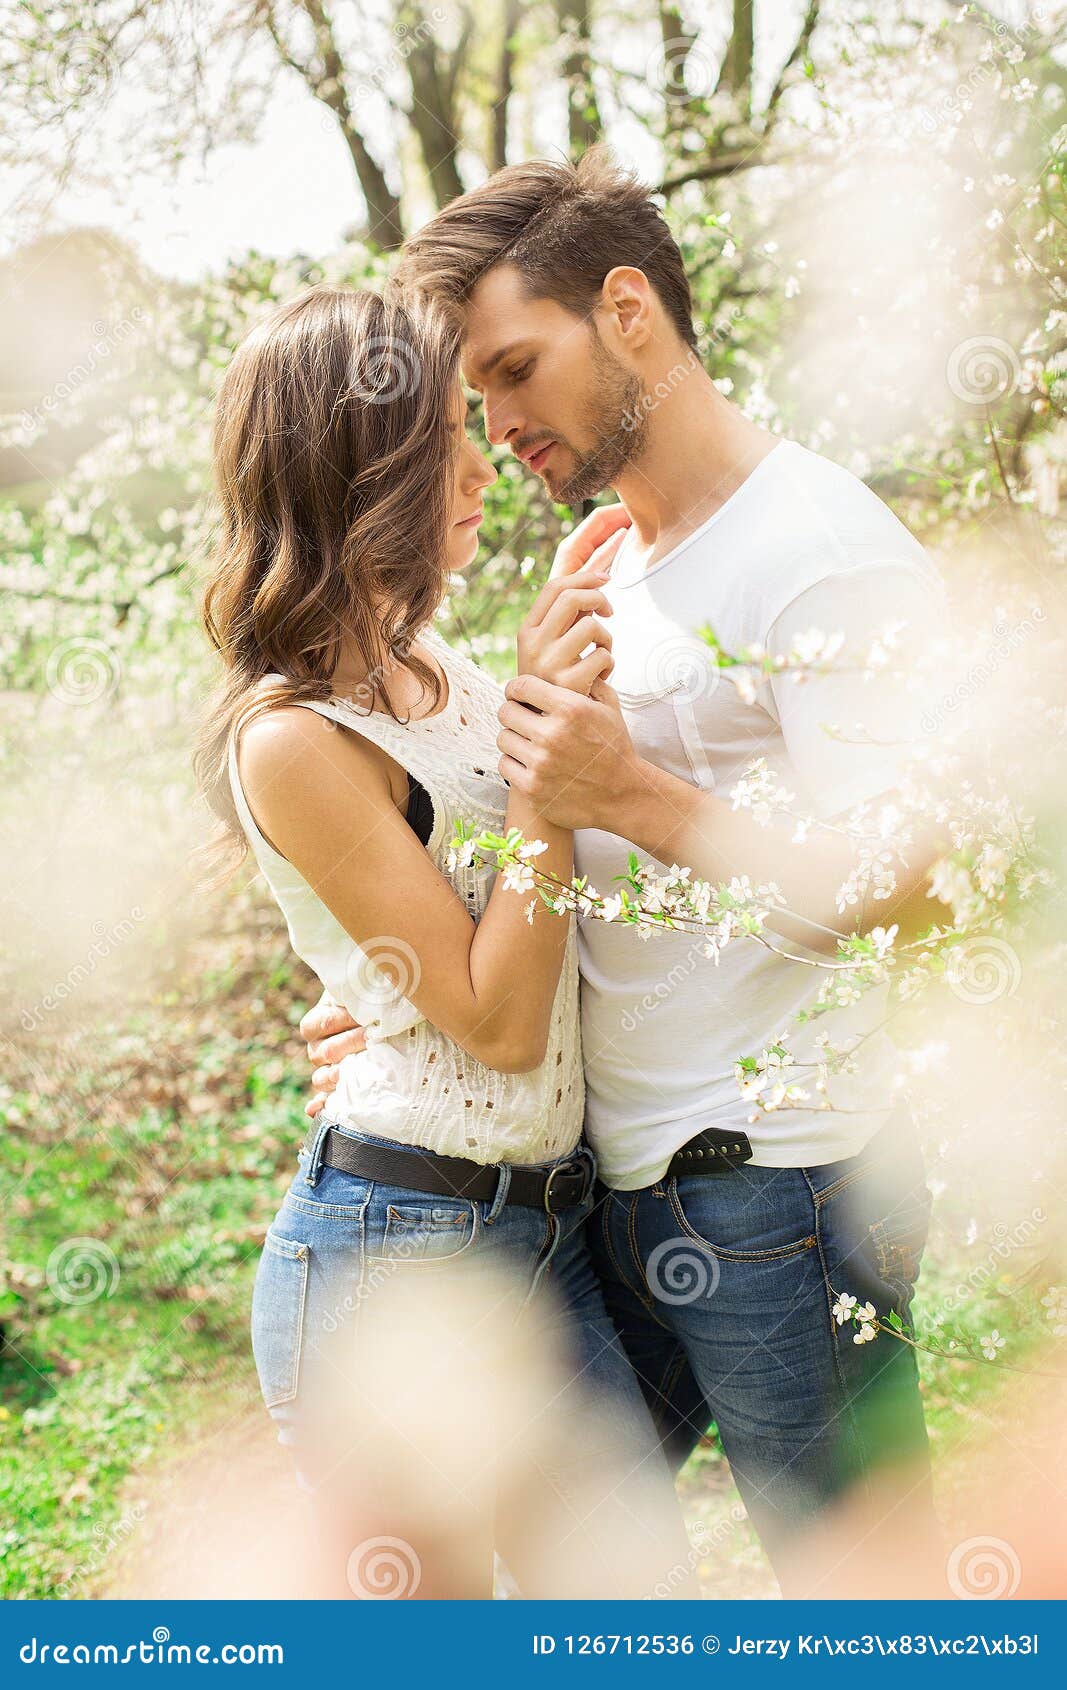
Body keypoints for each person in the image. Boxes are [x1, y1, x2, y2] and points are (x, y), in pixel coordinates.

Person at [302, 150, 947, 1593]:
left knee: (872, 1602)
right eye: (479, 398)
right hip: (600, 1191)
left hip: (778, 1192)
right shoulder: (613, 560)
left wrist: (637, 792)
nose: (499, 425)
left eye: (517, 369)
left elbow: (914, 894)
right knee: (580, 1592)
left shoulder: (824, 553)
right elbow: (559, 869)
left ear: (630, 306)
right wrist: (399, 1003)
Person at [194, 283, 693, 1599]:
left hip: (540, 1237)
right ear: (357, 471)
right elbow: (494, 1016)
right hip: (393, 1259)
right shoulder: (294, 735)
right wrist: (543, 761)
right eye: (441, 443)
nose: (483, 463)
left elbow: (495, 921)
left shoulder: (435, 664)